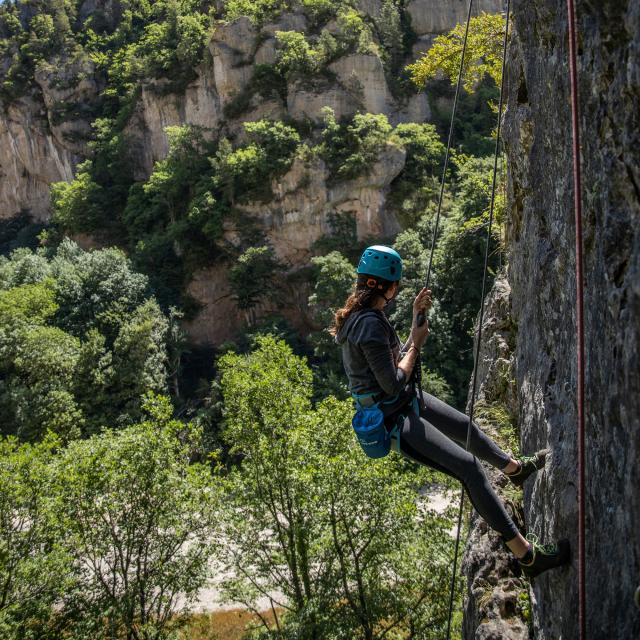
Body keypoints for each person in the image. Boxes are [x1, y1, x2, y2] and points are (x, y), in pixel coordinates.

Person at [332, 245, 570, 578]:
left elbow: (389, 365)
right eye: (396, 286)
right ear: (385, 287)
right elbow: (392, 381)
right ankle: (527, 556)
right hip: (395, 419)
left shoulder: (364, 317)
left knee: (465, 428)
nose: (396, 291)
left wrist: (416, 322)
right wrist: (416, 342)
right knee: (470, 468)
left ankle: (514, 469)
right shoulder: (369, 324)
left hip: (404, 402)